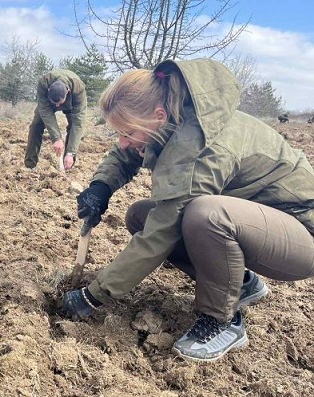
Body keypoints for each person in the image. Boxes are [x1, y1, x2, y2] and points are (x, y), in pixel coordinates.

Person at [63, 58, 314, 362]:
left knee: (206, 216)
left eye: (126, 133)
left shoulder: (198, 145)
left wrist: (94, 294)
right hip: (257, 224)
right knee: (140, 215)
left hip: (301, 234)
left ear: (158, 115)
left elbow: (162, 231)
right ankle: (243, 285)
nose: (123, 142)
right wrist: (101, 187)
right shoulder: (175, 116)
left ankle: (221, 321)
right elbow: (130, 150)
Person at [24, 69, 87, 170]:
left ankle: (68, 164)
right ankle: (30, 165)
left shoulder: (78, 88)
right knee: (36, 125)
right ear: (48, 90)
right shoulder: (43, 83)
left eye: (59, 103)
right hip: (48, 105)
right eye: (55, 103)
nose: (57, 106)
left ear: (67, 92)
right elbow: (44, 110)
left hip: (71, 104)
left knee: (73, 127)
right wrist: (56, 138)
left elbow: (78, 122)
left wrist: (71, 152)